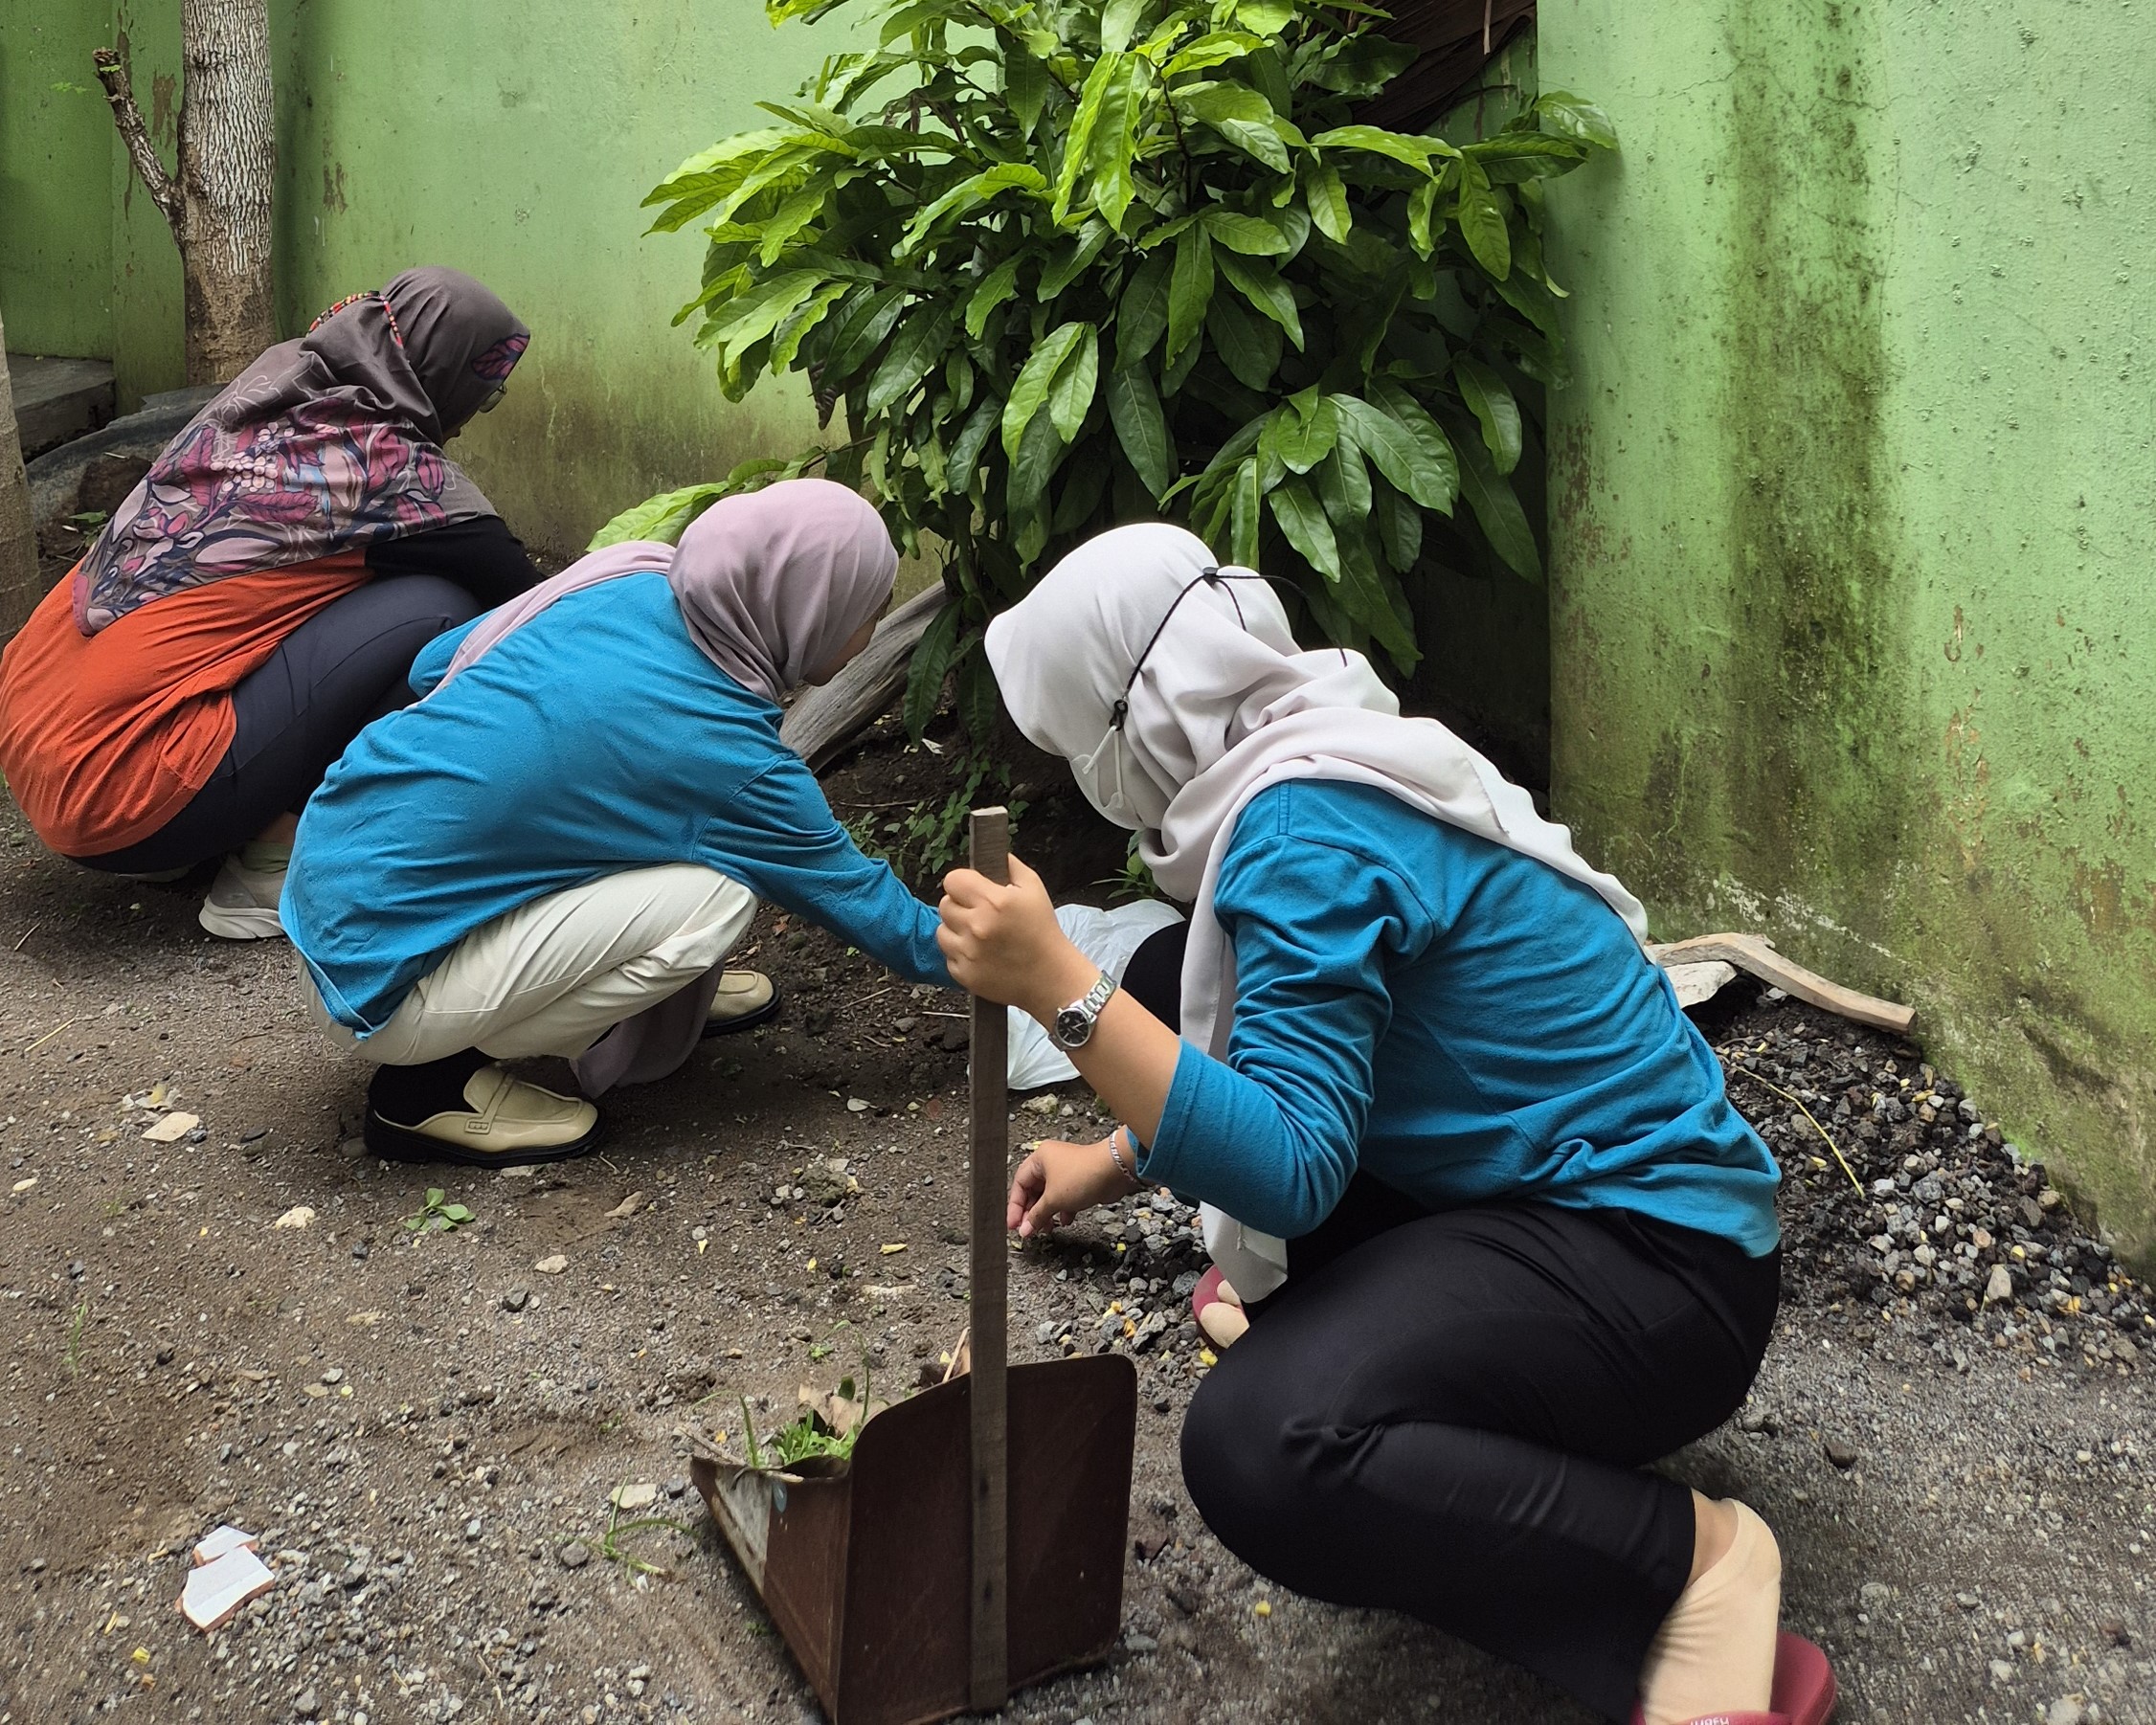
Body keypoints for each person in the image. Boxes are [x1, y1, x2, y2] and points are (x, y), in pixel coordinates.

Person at [934, 524, 1837, 1725]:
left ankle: (1687, 1564)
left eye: (1082, 747)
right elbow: (1310, 1054)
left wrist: (1057, 981)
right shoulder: (1323, 741)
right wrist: (1108, 1160)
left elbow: (1299, 1167)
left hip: (1662, 1267)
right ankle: (1414, 1399)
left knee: (1265, 1445)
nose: (1095, 790)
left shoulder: (1300, 831)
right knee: (1168, 972)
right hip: (1588, 1213)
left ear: (1138, 721)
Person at [283, 478, 948, 1166]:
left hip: (324, 867)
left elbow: (433, 669)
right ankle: (425, 1088)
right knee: (717, 897)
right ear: (810, 609)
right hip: (374, 983)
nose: (869, 632)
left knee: (630, 811)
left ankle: (608, 1005)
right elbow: (872, 911)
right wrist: (1028, 963)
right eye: (867, 611)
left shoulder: (629, 573)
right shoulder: (726, 751)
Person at [0, 267, 543, 940]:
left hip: (42, 746)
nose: (474, 410)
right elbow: (530, 602)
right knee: (441, 609)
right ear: (442, 374)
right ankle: (268, 865)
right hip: (121, 793)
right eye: (482, 391)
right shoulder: (394, 472)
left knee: (338, 593)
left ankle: (195, 832)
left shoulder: (270, 391)